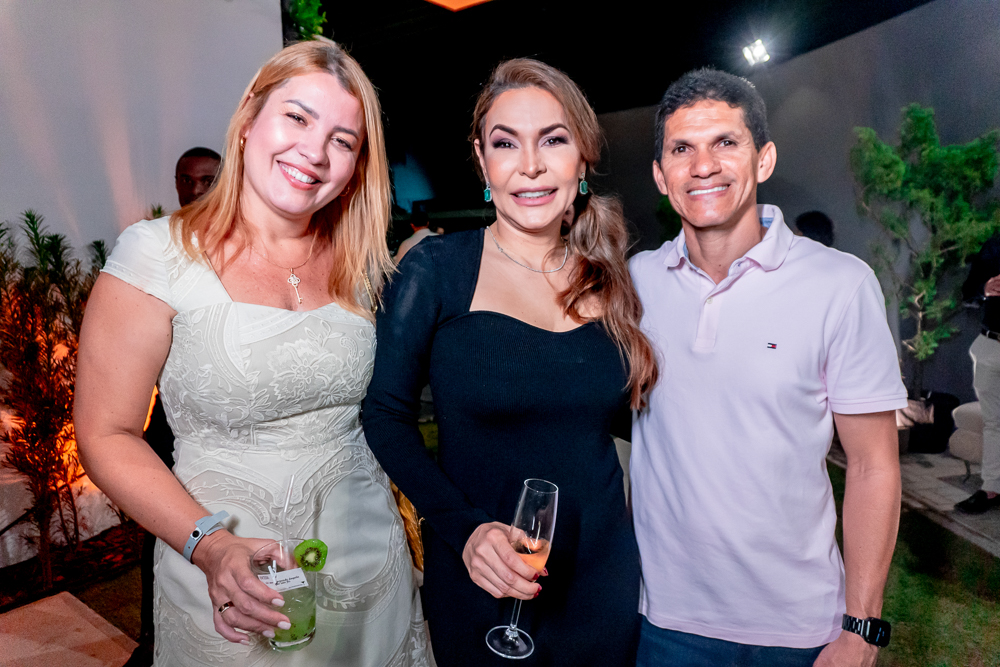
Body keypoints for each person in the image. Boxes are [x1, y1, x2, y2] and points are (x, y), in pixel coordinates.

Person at [75, 39, 428, 666]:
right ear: (248, 119)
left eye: (344, 140)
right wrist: (208, 546)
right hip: (226, 575)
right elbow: (108, 432)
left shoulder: (364, 263)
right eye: (297, 117)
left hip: (369, 564)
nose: (315, 153)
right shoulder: (156, 254)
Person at [362, 59, 657, 666]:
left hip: (601, 575)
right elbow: (384, 414)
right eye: (506, 143)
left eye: (553, 139)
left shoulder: (612, 279)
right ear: (481, 160)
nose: (530, 165)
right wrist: (463, 527)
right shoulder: (435, 270)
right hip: (484, 575)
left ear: (582, 159)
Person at [630, 68, 906, 667]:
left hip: (800, 629)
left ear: (764, 159)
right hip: (664, 622)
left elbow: (873, 464)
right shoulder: (634, 286)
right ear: (661, 176)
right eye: (682, 149)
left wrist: (861, 628)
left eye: (725, 142)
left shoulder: (840, 284)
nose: (703, 165)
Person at [957, 234, 1000, 513]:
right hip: (991, 343)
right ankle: (992, 489)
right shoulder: (995, 245)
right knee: (993, 423)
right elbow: (968, 290)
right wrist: (984, 288)